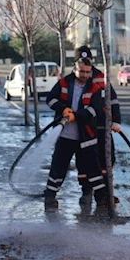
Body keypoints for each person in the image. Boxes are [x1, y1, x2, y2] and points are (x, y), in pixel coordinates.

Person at [42, 58, 108, 209]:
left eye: (87, 72)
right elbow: (50, 99)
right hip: (65, 135)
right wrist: (63, 109)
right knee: (58, 167)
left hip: (86, 136)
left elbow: (94, 110)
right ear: (74, 69)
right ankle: (50, 197)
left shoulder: (95, 88)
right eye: (81, 71)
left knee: (92, 168)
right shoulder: (64, 83)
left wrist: (76, 116)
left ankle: (101, 199)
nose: (84, 75)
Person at [75, 46, 122, 209]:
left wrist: (116, 121)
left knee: (107, 159)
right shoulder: (73, 80)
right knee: (85, 162)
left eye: (89, 60)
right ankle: (87, 191)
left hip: (102, 127)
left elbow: (113, 100)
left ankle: (104, 194)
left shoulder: (101, 77)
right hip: (84, 128)